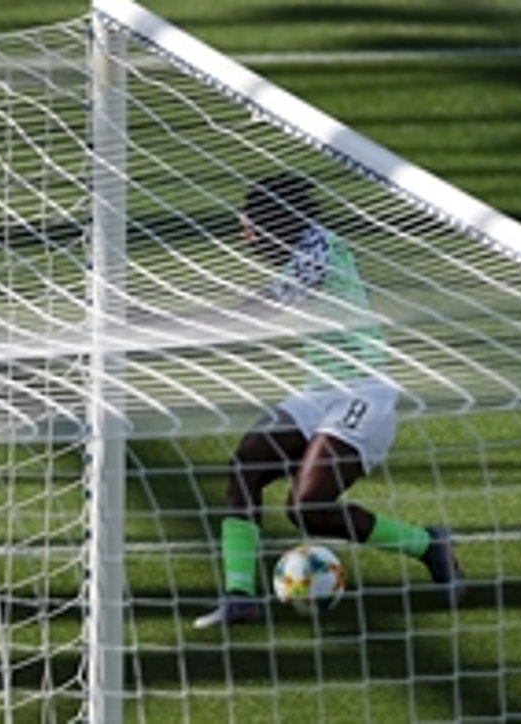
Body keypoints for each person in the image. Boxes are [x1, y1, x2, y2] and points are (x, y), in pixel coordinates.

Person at [193, 173, 464, 629]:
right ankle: (239, 595)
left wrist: (165, 324)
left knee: (306, 507)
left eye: (251, 223)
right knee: (247, 464)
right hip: (319, 392)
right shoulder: (301, 250)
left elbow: (257, 313)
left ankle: (426, 544)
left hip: (363, 393)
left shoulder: (318, 248)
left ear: (277, 223)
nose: (244, 232)